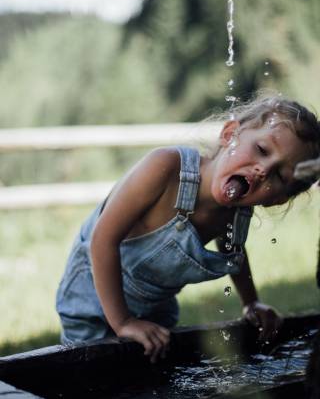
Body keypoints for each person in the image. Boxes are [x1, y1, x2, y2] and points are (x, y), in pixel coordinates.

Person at [56, 93, 320, 363]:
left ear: (277, 199)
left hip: (155, 305)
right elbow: (102, 240)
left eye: (279, 176)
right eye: (262, 150)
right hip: (92, 297)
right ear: (230, 134)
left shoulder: (237, 211)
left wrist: (250, 302)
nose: (262, 170)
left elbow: (234, 252)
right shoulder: (167, 169)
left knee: (149, 371)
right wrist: (123, 322)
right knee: (90, 368)